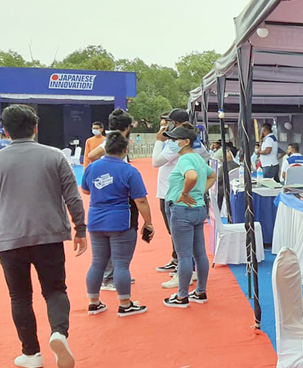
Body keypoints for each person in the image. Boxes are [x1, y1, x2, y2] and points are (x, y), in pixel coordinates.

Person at [0, 104, 87, 368]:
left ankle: (31, 353)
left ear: (5, 132)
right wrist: (80, 229)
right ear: (35, 128)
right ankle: (59, 332)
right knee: (55, 290)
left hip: (9, 238)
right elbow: (72, 196)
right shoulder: (54, 156)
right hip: (49, 235)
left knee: (19, 297)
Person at [80, 131, 154, 317]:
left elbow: (86, 190)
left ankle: (94, 302)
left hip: (96, 220)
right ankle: (125, 304)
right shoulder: (129, 171)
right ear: (125, 149)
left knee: (97, 262)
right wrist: (148, 223)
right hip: (121, 221)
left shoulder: (92, 167)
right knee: (121, 264)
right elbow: (141, 200)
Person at [162, 124, 216, 308]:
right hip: (198, 209)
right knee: (199, 253)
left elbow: (191, 177)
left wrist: (185, 193)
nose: (171, 142)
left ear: (185, 142)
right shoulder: (198, 158)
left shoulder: (185, 159)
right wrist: (199, 191)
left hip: (182, 209)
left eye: (174, 139)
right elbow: (212, 176)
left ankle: (182, 296)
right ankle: (200, 291)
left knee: (184, 255)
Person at [151, 109, 208, 276]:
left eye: (168, 122)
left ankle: (184, 272)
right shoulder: (194, 142)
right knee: (190, 239)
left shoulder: (177, 144)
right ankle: (181, 264)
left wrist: (159, 141)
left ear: (175, 123)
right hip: (181, 192)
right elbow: (206, 164)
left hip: (174, 193)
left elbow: (156, 162)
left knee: (180, 235)